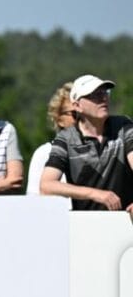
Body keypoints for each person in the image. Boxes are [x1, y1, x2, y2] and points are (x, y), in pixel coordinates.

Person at [40, 75, 133, 211]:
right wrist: (94, 194)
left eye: (105, 92)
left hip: (126, 222)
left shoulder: (124, 126)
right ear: (77, 106)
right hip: (85, 225)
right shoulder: (66, 139)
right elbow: (46, 185)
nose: (103, 98)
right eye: (94, 95)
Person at [26, 82, 75, 196]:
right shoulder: (44, 153)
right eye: (74, 114)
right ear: (59, 119)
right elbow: (34, 198)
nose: (81, 119)